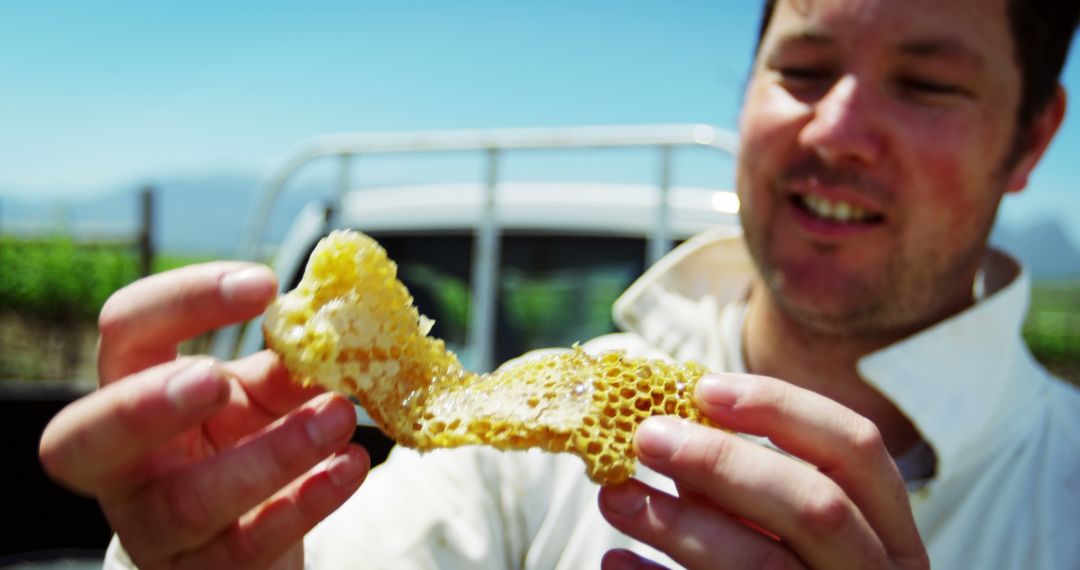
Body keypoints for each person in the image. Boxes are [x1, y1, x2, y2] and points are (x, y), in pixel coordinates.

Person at [39, 0, 1080, 567]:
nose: (837, 130)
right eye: (802, 69)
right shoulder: (531, 443)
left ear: (1034, 136)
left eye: (930, 83)